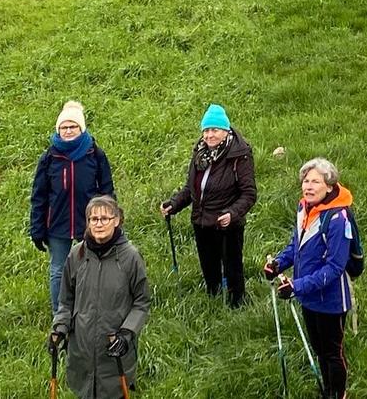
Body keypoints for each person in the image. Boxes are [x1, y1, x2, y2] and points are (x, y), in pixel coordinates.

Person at [264, 158, 354, 399]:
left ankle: (338, 394)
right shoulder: (304, 208)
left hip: (331, 300)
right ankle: (327, 391)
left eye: (315, 181)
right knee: (319, 350)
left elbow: (335, 267)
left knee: (332, 352)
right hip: (307, 296)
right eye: (306, 181)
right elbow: (297, 245)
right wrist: (278, 264)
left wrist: (297, 286)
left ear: (329, 185)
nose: (309, 186)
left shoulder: (338, 219)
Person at [49, 195, 149, 399]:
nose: (99, 224)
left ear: (116, 220)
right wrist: (59, 328)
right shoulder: (77, 255)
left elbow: (141, 303)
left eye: (105, 218)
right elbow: (66, 301)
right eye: (94, 219)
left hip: (115, 352)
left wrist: (127, 333)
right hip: (82, 352)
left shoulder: (130, 257)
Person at [161, 103, 257, 308]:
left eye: (214, 130)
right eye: (206, 130)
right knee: (208, 265)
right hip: (201, 220)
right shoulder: (200, 153)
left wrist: (232, 214)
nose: (209, 135)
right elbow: (192, 188)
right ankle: (212, 299)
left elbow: (249, 194)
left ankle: (237, 304)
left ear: (226, 131)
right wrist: (174, 204)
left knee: (232, 267)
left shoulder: (239, 155)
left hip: (227, 223)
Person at [30, 100, 115, 312]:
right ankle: (59, 315)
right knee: (58, 270)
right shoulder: (49, 157)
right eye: (64, 127)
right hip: (57, 225)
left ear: (81, 128)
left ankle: (89, 311)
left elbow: (107, 190)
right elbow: (39, 196)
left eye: (72, 126)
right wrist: (37, 229)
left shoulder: (94, 153)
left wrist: (110, 220)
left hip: (88, 223)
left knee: (91, 267)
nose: (68, 131)